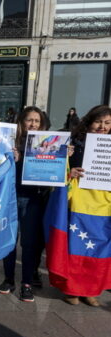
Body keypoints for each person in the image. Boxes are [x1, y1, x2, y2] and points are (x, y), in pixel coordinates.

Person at [0, 107, 49, 302]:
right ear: (21, 122)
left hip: (33, 199)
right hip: (11, 197)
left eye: (37, 121)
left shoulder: (45, 144)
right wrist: (11, 159)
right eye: (29, 120)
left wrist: (63, 155)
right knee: (9, 241)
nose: (33, 124)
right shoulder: (10, 142)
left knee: (29, 244)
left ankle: (26, 283)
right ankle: (8, 279)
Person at [65, 105, 111, 306]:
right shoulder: (75, 142)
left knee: (99, 249)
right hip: (81, 201)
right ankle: (73, 289)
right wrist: (68, 163)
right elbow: (62, 170)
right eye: (98, 122)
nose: (102, 127)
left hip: (104, 204)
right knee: (77, 247)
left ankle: (90, 290)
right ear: (90, 122)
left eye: (107, 123)